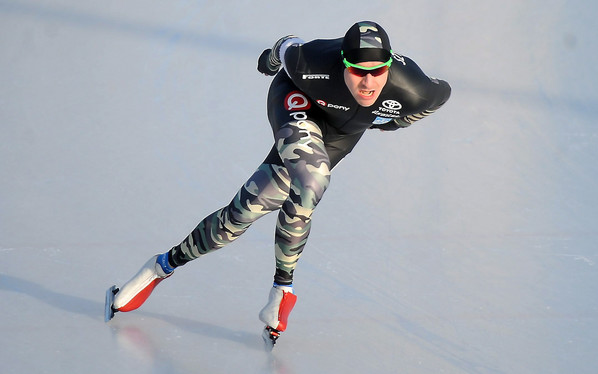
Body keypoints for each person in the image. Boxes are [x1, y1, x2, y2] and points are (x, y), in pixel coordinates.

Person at [106, 21, 451, 347]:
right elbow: (286, 45)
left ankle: (161, 265)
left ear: (389, 66)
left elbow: (441, 95)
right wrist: (271, 60)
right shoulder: (311, 61)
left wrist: (393, 123)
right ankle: (281, 289)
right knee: (313, 179)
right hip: (296, 103)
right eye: (358, 71)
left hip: (340, 135)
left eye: (377, 71)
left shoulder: (415, 88)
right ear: (343, 65)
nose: (368, 82)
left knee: (237, 218)